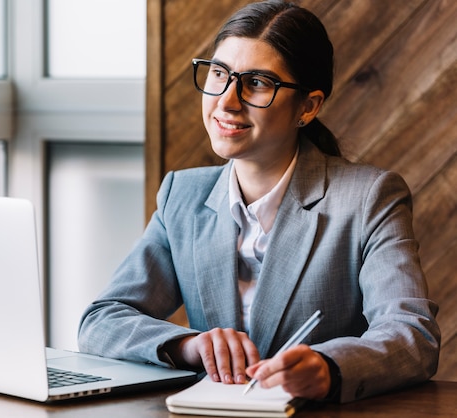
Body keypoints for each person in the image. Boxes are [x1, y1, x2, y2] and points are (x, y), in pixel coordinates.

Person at [78, 0, 440, 403]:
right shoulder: (182, 194)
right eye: (219, 74)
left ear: (308, 106)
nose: (227, 101)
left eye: (258, 83)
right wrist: (190, 347)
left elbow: (412, 334)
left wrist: (328, 367)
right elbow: (102, 320)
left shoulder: (369, 197)